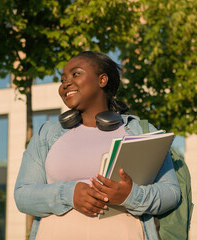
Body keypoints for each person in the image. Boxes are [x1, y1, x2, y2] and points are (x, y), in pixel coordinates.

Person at [14, 51, 181, 240]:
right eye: (62, 80)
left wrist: (130, 195)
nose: (65, 84)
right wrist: (68, 194)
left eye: (76, 74)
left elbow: (171, 193)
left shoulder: (140, 130)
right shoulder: (46, 134)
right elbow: (23, 195)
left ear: (102, 80)